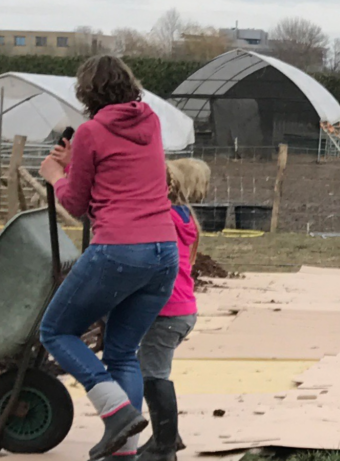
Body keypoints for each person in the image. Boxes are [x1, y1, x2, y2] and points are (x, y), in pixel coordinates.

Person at [38, 55, 179, 461]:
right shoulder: (150, 121)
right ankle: (124, 453)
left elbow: (76, 202)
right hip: (163, 253)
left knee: (56, 332)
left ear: (87, 93)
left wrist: (54, 173)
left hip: (119, 250)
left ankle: (115, 412)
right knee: (120, 353)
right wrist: (75, 163)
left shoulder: (90, 132)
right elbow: (122, 173)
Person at [137, 167, 201, 461]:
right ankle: (168, 437)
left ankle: (164, 449)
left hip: (166, 312)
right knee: (151, 369)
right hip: (182, 309)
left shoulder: (159, 219)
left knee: (153, 375)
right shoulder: (180, 216)